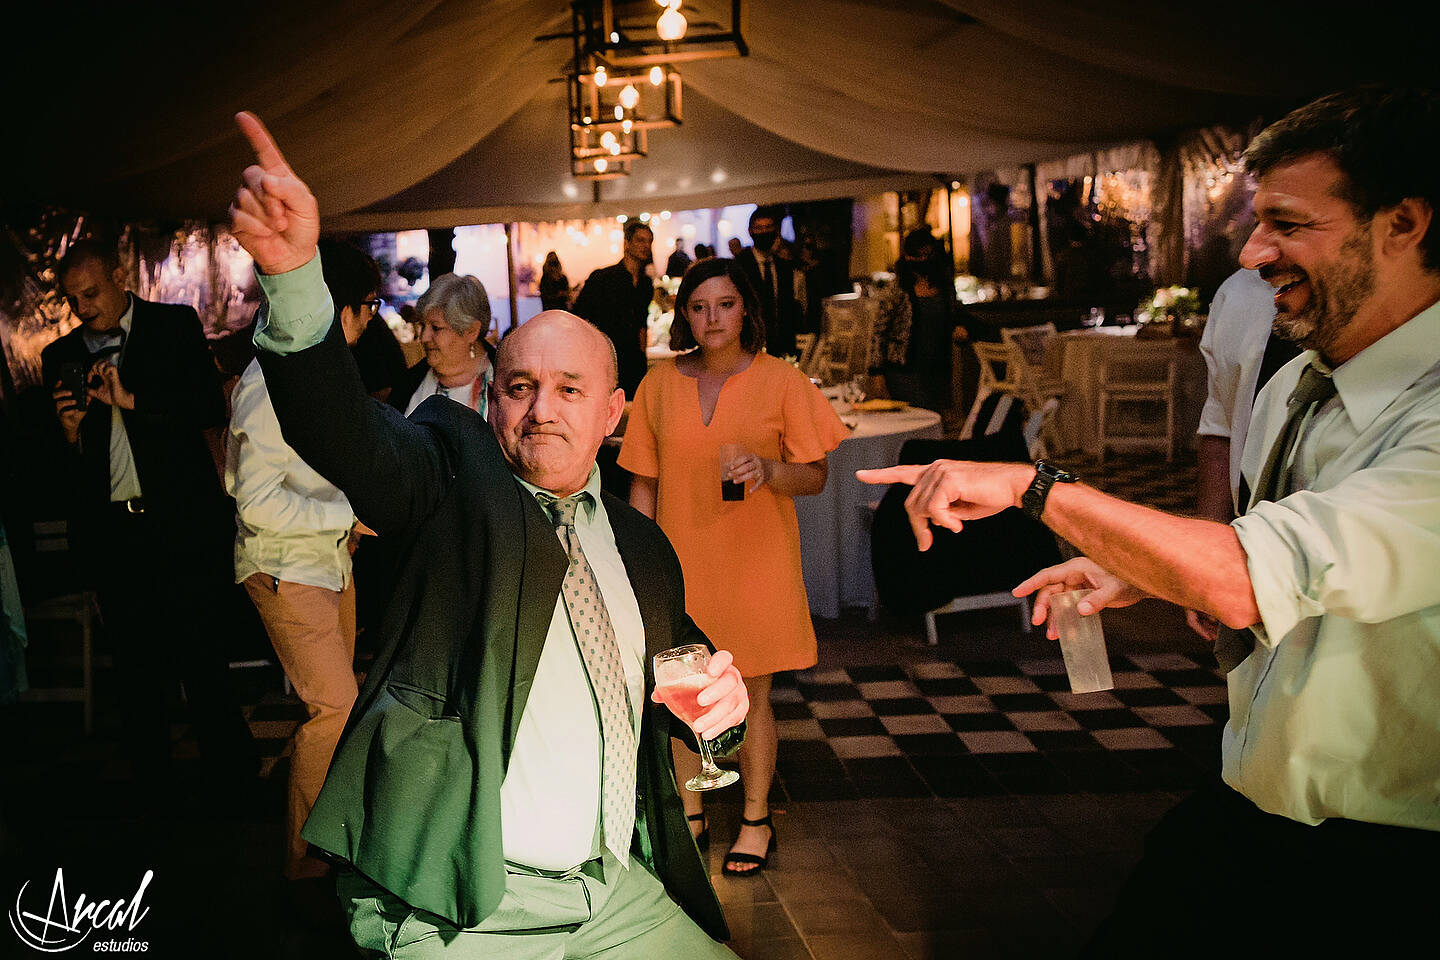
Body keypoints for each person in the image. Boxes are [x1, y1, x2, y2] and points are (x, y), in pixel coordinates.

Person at [859, 86, 1440, 952]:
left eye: (1287, 225)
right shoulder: (1295, 382)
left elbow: (1246, 578)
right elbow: (1285, 552)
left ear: (1404, 224)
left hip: (1392, 859)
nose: (1252, 253)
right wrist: (1139, 567)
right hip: (1254, 800)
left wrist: (1036, 486)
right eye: (1256, 222)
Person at [229, 111, 749, 959]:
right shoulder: (453, 479)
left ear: (613, 413)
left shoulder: (643, 549)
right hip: (466, 900)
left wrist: (724, 715)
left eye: (570, 389)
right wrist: (292, 277)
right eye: (519, 387)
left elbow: (687, 682)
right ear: (492, 398)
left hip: (612, 891)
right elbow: (343, 432)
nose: (541, 409)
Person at [619, 257, 848, 877]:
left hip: (756, 564)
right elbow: (643, 482)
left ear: (746, 308)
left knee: (752, 696)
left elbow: (816, 475)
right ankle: (690, 816)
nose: (712, 318)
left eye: (724, 304)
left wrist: (769, 470)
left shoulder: (781, 381)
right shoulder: (658, 385)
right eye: (698, 307)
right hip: (679, 564)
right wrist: (638, 563)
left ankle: (755, 817)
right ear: (683, 315)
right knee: (678, 695)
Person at [40, 238, 255, 800]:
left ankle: (233, 786)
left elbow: (208, 408)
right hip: (114, 531)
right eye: (72, 299)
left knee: (202, 657)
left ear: (119, 276)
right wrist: (68, 434)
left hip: (181, 524)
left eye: (91, 293)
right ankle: (154, 794)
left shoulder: (173, 326)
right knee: (136, 669)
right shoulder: (60, 355)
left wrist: (132, 400)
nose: (83, 308)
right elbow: (56, 474)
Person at [224, 239, 378, 881]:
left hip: (327, 561)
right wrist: (345, 516)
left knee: (342, 710)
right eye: (369, 305)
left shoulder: (320, 371)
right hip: (285, 567)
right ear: (339, 308)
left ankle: (332, 844)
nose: (371, 320)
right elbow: (255, 502)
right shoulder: (269, 381)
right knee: (336, 709)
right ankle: (304, 869)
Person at [1187, 266, 1297, 640]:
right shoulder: (1237, 293)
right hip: (1245, 540)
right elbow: (1220, 427)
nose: (1251, 252)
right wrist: (1203, 557)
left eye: (1288, 233)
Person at [868, 227, 958, 412]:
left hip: (937, 367)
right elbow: (879, 332)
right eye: (919, 255)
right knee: (919, 413)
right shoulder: (897, 290)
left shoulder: (944, 287)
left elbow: (951, 317)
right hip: (904, 369)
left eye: (927, 255)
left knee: (937, 414)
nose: (923, 260)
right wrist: (877, 372)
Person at [387, 272, 496, 419]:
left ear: (471, 331)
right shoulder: (408, 384)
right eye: (422, 325)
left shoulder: (505, 381)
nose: (424, 337)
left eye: (436, 328)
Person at [573, 220, 654, 399]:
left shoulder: (646, 284)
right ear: (627, 243)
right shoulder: (602, 278)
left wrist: (642, 356)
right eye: (640, 240)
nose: (646, 246)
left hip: (634, 360)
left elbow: (642, 323)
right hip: (606, 357)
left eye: (649, 241)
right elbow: (580, 318)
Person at [736, 206, 805, 358]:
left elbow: (788, 307)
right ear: (750, 231)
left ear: (776, 230)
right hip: (750, 346)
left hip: (782, 346)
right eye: (759, 228)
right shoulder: (740, 265)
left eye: (768, 227)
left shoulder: (784, 266)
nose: (764, 232)